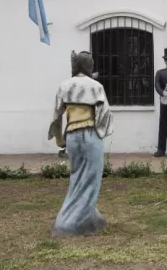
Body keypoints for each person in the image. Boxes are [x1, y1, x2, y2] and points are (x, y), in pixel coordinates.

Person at [48, 51, 114, 237]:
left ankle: (89, 215)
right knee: (92, 178)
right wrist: (101, 132)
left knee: (77, 177)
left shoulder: (64, 85)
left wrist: (60, 140)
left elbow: (56, 115)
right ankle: (71, 222)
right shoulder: (96, 86)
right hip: (89, 134)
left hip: (72, 136)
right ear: (88, 66)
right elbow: (104, 114)